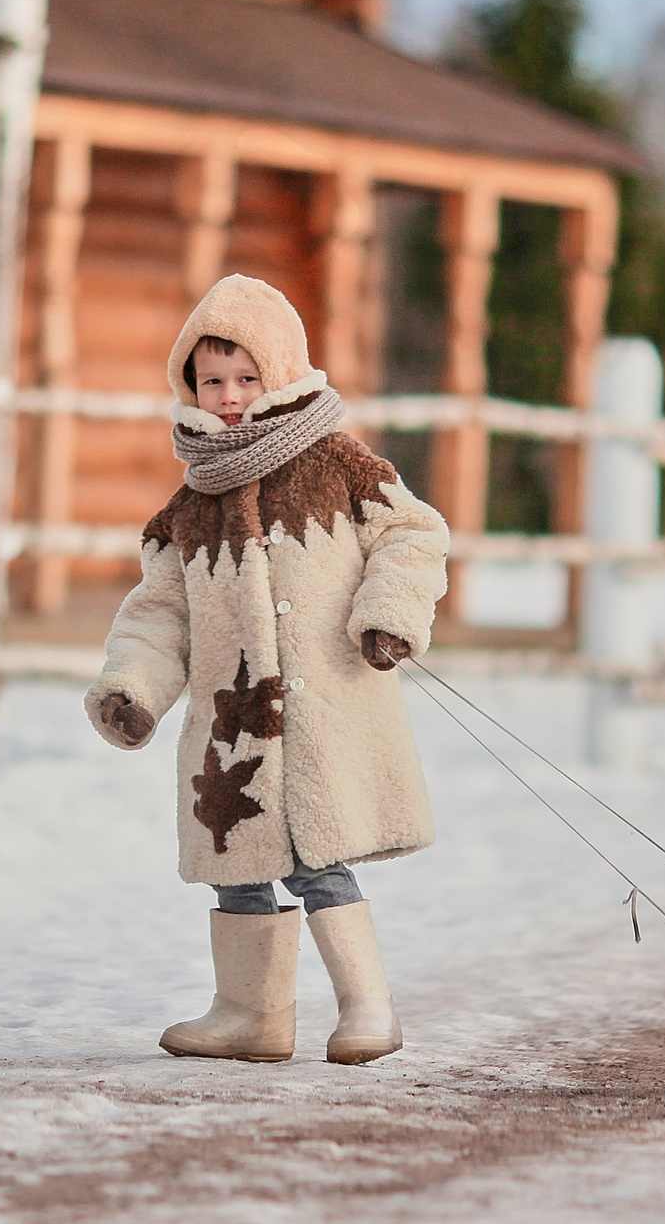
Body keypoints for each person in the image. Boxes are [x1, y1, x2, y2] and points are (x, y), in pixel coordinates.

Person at [85, 275, 450, 1064]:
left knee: (322, 858)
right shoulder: (186, 511)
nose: (227, 395)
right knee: (239, 869)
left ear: (281, 372)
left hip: (328, 711)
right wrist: (133, 687)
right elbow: (160, 615)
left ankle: (367, 1006)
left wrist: (388, 612)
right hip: (233, 728)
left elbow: (414, 536)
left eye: (246, 377)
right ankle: (250, 1013)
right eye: (211, 380)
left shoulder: (340, 466)